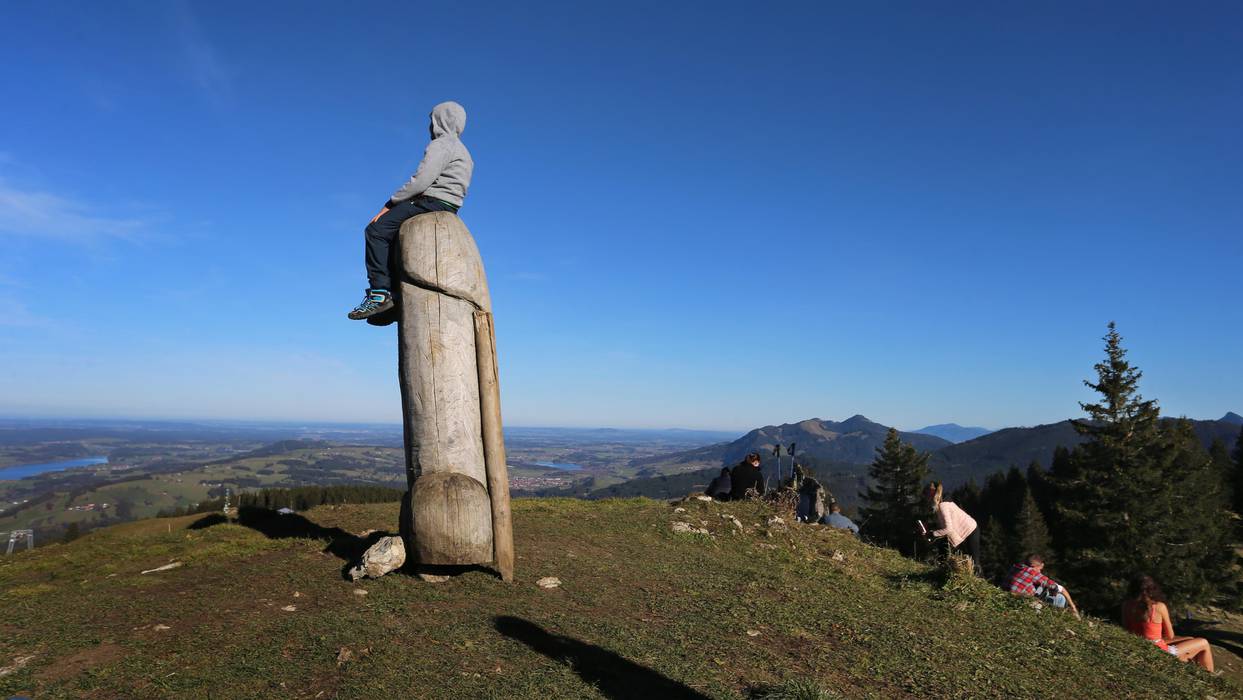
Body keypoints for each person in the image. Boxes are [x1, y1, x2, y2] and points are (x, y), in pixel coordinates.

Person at [348, 101, 475, 320]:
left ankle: (379, 294)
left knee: (376, 230)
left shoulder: (442, 145)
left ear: (439, 121)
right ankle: (395, 297)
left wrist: (389, 204)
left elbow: (421, 180)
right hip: (450, 206)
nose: (429, 126)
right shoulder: (465, 152)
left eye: (431, 121)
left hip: (430, 200)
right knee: (396, 238)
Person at [1122, 575, 1215, 672]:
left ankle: (1194, 670)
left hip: (1140, 644)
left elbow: (1126, 630)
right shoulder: (1159, 607)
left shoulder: (1126, 605)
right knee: (1203, 642)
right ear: (1152, 589)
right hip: (1158, 651)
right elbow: (1170, 635)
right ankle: (1210, 677)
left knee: (1190, 639)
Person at [926, 482, 982, 576]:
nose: (926, 498)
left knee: (974, 563)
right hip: (963, 531)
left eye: (927, 494)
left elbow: (948, 529)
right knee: (943, 549)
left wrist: (932, 534)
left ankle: (980, 582)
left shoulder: (943, 506)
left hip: (971, 530)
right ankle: (942, 571)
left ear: (932, 494)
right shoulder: (942, 505)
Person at [1006, 554, 1080, 618]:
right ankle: (1057, 618)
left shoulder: (1015, 567)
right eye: (1040, 569)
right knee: (1060, 597)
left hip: (1007, 597)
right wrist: (1074, 608)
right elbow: (1062, 589)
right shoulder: (1033, 573)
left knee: (1041, 589)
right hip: (1023, 602)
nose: (1040, 572)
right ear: (1034, 566)